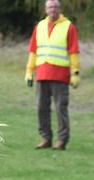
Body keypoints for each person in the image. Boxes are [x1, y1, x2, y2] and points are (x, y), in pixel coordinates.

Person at [25, 0, 81, 150]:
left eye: (55, 7)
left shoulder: (69, 26)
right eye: (50, 7)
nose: (52, 9)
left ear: (60, 9)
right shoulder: (40, 26)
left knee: (60, 108)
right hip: (42, 74)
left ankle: (62, 140)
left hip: (60, 76)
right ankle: (46, 138)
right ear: (45, 9)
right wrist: (29, 71)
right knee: (41, 108)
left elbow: (73, 51)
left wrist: (75, 73)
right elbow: (33, 51)